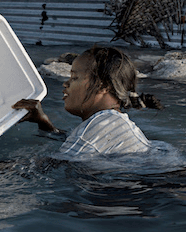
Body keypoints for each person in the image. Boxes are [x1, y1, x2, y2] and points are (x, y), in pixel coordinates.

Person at [13, 46, 163, 158]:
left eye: (74, 78)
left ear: (103, 87)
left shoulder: (98, 127)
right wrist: (44, 123)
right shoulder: (109, 123)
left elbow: (46, 166)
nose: (65, 84)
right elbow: (77, 142)